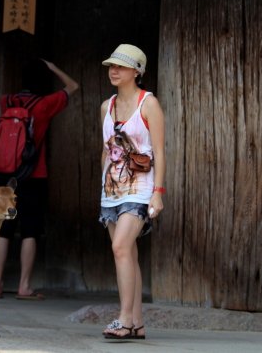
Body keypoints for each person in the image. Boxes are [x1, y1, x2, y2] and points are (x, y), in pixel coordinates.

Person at [0, 59, 79, 299]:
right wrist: (53, 68)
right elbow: (73, 86)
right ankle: (23, 287)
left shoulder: (5, 101)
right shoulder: (44, 104)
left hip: (4, 175)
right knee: (30, 230)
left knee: (3, 229)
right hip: (32, 175)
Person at [99, 44, 165, 340]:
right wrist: (100, 187)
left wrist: (158, 192)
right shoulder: (106, 106)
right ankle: (137, 322)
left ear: (137, 71)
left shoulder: (148, 103)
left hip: (140, 188)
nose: (114, 70)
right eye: (112, 65)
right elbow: (105, 150)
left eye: (121, 66)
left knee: (120, 248)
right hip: (112, 188)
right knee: (128, 254)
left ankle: (124, 319)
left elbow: (160, 152)